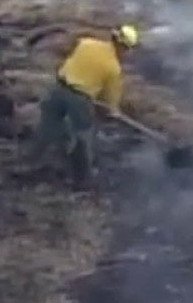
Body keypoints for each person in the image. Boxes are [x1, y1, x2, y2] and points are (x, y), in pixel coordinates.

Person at [36, 24, 138, 186]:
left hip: (57, 88)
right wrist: (113, 111)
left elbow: (71, 58)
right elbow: (110, 100)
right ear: (123, 48)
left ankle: (33, 159)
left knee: (47, 126)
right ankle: (81, 179)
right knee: (83, 136)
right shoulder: (113, 67)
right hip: (79, 99)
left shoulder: (86, 43)